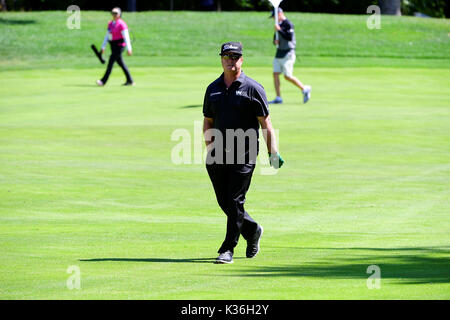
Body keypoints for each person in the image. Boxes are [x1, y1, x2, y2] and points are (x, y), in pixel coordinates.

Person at [203, 42, 285, 264]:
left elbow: (266, 124)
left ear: (242, 59)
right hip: (217, 153)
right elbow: (208, 121)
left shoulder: (253, 88)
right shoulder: (213, 89)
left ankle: (227, 249)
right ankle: (252, 230)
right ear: (221, 58)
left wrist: (273, 152)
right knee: (226, 202)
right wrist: (210, 149)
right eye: (227, 56)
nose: (231, 60)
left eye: (235, 56)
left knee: (235, 200)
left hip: (244, 153)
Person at [269, 7, 311, 104]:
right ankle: (278, 97)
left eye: (274, 16)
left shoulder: (288, 23)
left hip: (288, 53)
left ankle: (304, 88)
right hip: (279, 52)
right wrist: (275, 41)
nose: (273, 19)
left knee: (287, 76)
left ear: (279, 14)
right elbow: (275, 39)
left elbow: (289, 37)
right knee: (275, 74)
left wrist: (279, 30)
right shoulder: (277, 25)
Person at [96, 7, 134, 86]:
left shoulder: (122, 24)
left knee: (111, 62)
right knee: (121, 63)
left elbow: (126, 37)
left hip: (119, 46)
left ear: (119, 14)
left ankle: (103, 81)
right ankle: (130, 80)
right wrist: (103, 47)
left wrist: (129, 48)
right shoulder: (110, 24)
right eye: (113, 13)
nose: (114, 15)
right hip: (113, 45)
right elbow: (107, 36)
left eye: (116, 13)